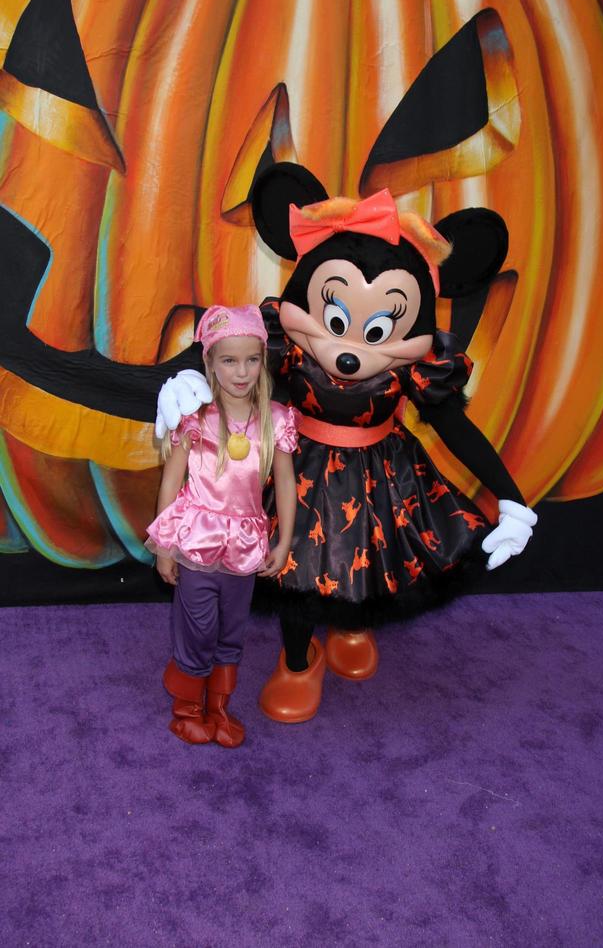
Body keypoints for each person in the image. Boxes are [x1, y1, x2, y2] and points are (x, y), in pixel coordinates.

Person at [156, 163, 538, 726]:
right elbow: (233, 359)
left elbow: (454, 426)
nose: (351, 349)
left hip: (384, 475)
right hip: (297, 468)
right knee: (297, 572)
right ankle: (296, 658)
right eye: (337, 319)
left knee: (371, 557)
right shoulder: (283, 351)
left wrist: (511, 499)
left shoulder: (416, 373)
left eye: (378, 329)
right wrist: (186, 382)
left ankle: (351, 626)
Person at [146, 303, 298, 747]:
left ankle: (219, 709)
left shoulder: (278, 420)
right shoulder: (195, 417)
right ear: (209, 361)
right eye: (229, 360)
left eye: (252, 359)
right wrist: (163, 545)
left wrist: (284, 540)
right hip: (196, 542)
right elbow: (172, 479)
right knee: (197, 626)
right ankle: (187, 707)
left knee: (232, 630)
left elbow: (285, 484)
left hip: (246, 547)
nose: (242, 371)